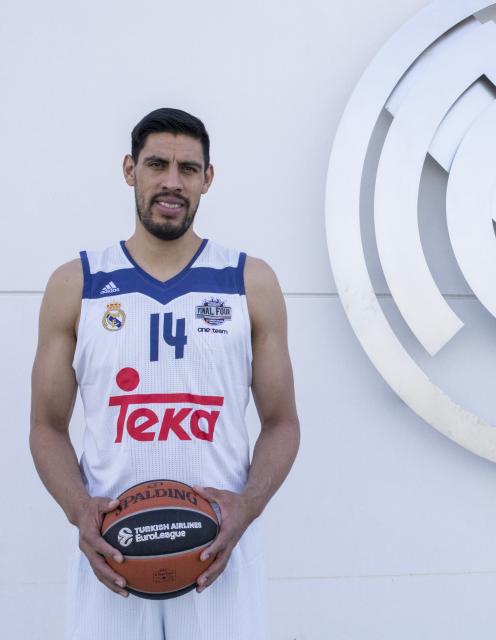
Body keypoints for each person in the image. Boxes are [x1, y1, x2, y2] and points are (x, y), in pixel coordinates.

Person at [29, 107, 300, 639]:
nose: (172, 183)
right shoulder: (76, 285)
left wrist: (246, 508)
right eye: (157, 165)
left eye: (188, 169)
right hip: (110, 554)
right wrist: (80, 511)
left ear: (208, 178)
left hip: (216, 551)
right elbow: (45, 426)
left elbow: (282, 422)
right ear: (130, 170)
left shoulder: (250, 282)